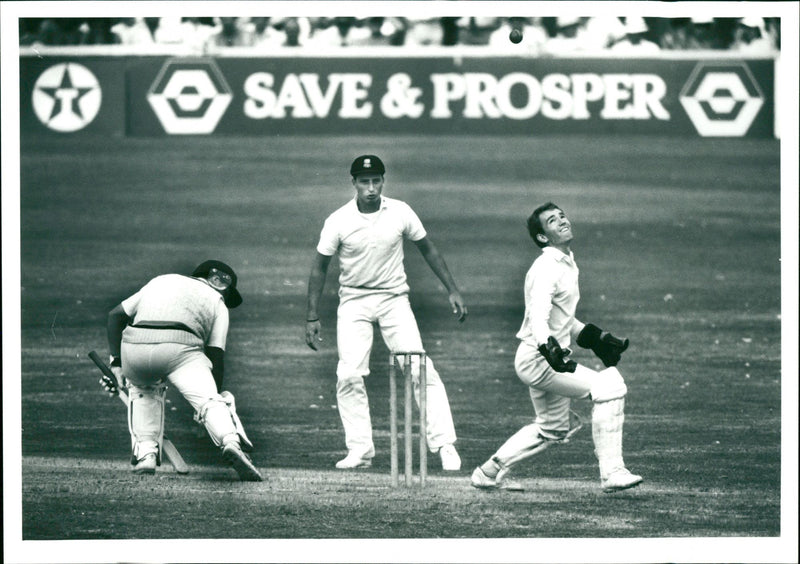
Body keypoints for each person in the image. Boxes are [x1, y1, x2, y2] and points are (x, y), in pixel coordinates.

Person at [305, 155, 467, 471]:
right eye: (364, 182)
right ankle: (360, 451)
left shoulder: (400, 211)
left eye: (376, 181)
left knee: (418, 366)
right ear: (353, 183)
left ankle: (445, 444)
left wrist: (452, 289)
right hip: (353, 302)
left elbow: (428, 248)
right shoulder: (338, 221)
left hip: (394, 300)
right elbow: (319, 268)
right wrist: (312, 315)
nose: (371, 188)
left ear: (383, 181)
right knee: (349, 374)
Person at [471, 203, 643, 493]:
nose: (562, 221)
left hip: (544, 357)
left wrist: (593, 336)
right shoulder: (547, 267)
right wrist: (547, 346)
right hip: (540, 358)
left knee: (553, 428)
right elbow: (538, 315)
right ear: (543, 237)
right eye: (552, 221)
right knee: (611, 388)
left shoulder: (565, 262)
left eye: (562, 215)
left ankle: (487, 473)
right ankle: (612, 472)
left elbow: (561, 318)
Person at [103, 260, 262, 481]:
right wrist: (208, 402)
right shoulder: (217, 302)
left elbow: (115, 316)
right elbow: (216, 354)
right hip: (180, 349)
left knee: (144, 389)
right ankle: (231, 442)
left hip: (134, 347)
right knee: (210, 401)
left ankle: (146, 453)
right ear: (220, 285)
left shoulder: (162, 280)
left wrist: (116, 364)